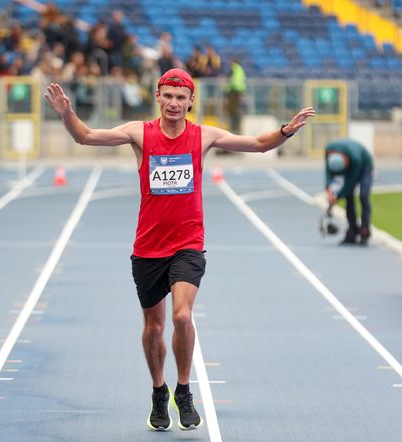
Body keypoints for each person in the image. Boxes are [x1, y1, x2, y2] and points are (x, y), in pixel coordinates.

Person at [44, 68, 314, 432]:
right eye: (167, 96)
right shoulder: (139, 133)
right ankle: (159, 390)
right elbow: (86, 137)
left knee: (182, 317)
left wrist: (287, 130)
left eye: (180, 97)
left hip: (188, 244)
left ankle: (184, 390)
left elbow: (258, 144)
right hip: (148, 248)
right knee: (153, 327)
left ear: (190, 102)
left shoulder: (204, 136)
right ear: (158, 97)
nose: (173, 103)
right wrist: (66, 113)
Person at [324, 139, 374, 245]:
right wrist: (329, 191)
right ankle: (352, 230)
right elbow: (328, 174)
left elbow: (350, 183)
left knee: (363, 196)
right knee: (349, 198)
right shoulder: (328, 150)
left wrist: (337, 196)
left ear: (345, 162)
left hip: (364, 166)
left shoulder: (356, 158)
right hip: (349, 165)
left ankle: (365, 229)